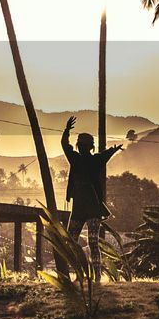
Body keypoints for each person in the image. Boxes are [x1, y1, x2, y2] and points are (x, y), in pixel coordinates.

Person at [60, 115, 123, 276]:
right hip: (89, 208)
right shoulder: (91, 160)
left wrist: (67, 130)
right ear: (90, 147)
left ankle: (88, 274)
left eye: (81, 145)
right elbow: (106, 154)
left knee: (79, 241)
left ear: (82, 146)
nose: (80, 147)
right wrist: (113, 149)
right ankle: (91, 274)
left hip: (86, 208)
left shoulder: (77, 159)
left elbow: (64, 145)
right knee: (87, 242)